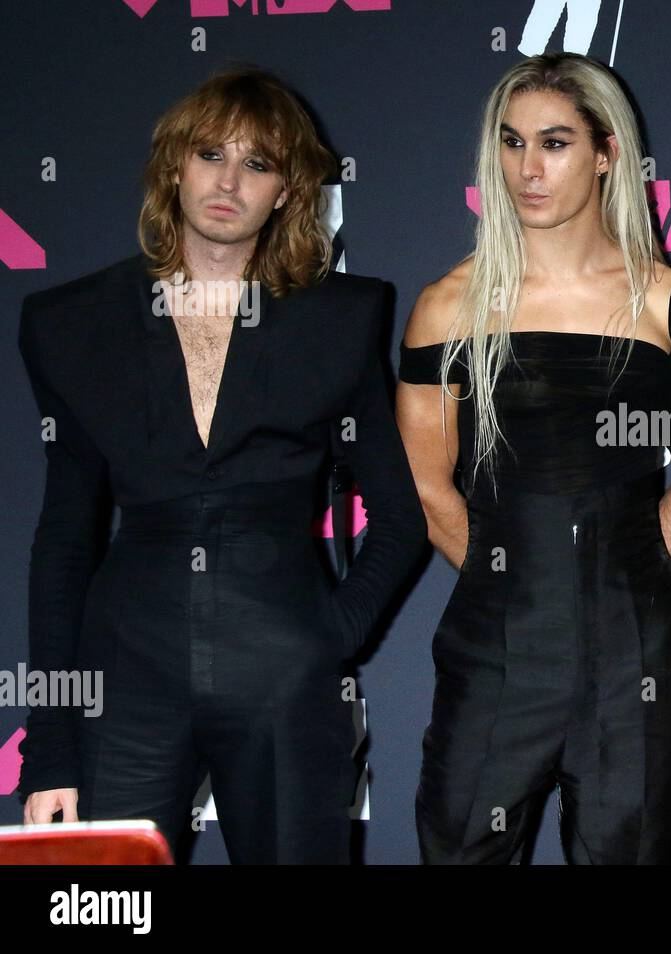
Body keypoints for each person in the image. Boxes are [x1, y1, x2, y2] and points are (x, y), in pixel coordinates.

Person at [16, 68, 426, 863]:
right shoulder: (73, 325)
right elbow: (64, 541)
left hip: (283, 673)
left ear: (287, 193)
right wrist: (51, 747)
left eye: (259, 164)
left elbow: (401, 517)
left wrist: (326, 638)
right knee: (103, 912)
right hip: (124, 674)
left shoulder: (338, 322)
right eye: (211, 154)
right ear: (175, 165)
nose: (228, 181)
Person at [397, 52, 671, 864]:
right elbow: (429, 491)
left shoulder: (668, 302)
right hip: (496, 651)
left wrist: (649, 554)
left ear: (607, 151)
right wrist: (516, 587)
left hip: (635, 659)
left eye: (554, 143)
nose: (527, 169)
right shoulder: (450, 306)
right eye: (511, 144)